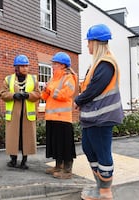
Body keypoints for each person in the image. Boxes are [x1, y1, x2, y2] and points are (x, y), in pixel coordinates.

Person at [74, 24, 124, 200]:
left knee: (102, 153)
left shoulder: (105, 63)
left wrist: (78, 100)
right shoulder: (97, 64)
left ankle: (105, 191)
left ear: (95, 42)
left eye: (89, 42)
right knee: (89, 149)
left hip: (102, 117)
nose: (87, 45)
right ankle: (99, 186)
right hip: (93, 117)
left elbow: (94, 89)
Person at [0, 55, 40, 170]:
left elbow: (38, 94)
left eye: (26, 66)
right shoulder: (8, 79)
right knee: (14, 138)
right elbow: (2, 94)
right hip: (14, 115)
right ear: (16, 67)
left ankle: (24, 161)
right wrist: (13, 95)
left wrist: (28, 95)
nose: (25, 68)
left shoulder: (33, 79)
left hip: (27, 115)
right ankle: (13, 160)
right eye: (22, 66)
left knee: (26, 138)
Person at [41, 52, 77, 179]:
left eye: (55, 63)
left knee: (65, 144)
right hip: (52, 117)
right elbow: (44, 97)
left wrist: (50, 89)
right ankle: (58, 166)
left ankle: (67, 171)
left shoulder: (69, 77)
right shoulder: (53, 79)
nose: (52, 65)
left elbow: (66, 94)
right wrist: (45, 89)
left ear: (62, 65)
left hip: (63, 118)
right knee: (55, 143)